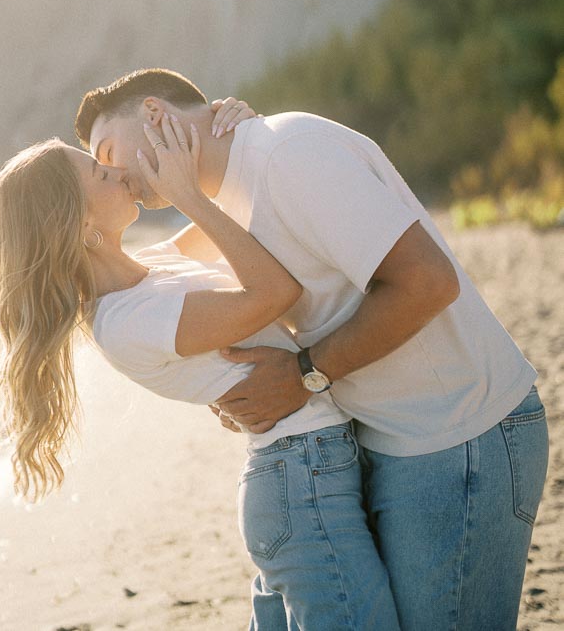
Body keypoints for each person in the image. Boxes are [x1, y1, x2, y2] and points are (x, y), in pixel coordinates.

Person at [75, 68, 550, 631]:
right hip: (383, 440)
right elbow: (146, 281)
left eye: (108, 151)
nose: (113, 173)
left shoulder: (289, 156)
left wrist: (303, 373)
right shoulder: (234, 187)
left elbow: (428, 282)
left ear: (155, 113)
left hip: (459, 436)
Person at [0, 107, 402, 630]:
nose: (117, 172)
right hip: (301, 479)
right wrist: (188, 197)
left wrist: (227, 124)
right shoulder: (128, 320)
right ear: (81, 224)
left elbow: (232, 209)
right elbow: (275, 291)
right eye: (99, 173)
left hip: (304, 472)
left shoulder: (150, 271)